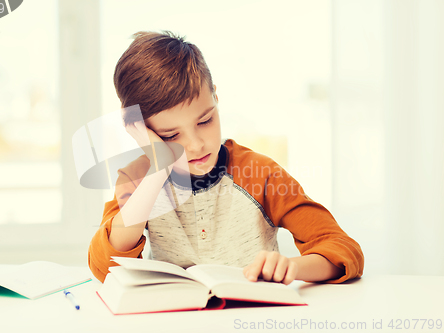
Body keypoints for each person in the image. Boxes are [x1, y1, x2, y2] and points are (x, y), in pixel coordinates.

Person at [88, 31, 364, 285]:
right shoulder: (137, 180)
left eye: (205, 120)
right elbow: (105, 266)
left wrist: (291, 267)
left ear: (216, 97)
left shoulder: (260, 173)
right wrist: (157, 170)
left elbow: (343, 249)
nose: (195, 145)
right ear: (140, 129)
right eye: (171, 136)